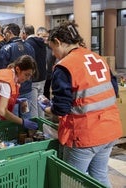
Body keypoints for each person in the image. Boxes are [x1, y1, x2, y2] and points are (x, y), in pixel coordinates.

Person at [38, 21, 123, 187]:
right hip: (109, 129)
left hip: (85, 134)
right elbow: (113, 90)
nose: (54, 54)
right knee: (99, 177)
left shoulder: (64, 67)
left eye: (52, 48)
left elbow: (61, 109)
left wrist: (48, 108)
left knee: (71, 182)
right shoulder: (98, 58)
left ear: (58, 41)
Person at [0, 23, 36, 120]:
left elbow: (2, 72)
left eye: (5, 33)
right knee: (27, 116)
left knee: (13, 118)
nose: (4, 36)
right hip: (27, 88)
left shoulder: (5, 49)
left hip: (11, 92)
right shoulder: (29, 46)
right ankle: (28, 133)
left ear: (9, 33)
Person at [21, 24, 47, 118]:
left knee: (33, 105)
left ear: (24, 33)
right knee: (41, 103)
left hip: (33, 78)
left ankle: (35, 128)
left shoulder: (27, 44)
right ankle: (42, 125)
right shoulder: (42, 43)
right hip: (43, 76)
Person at [36, 27, 57, 100]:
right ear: (38, 35)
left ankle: (46, 109)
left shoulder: (50, 47)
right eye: (43, 36)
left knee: (46, 92)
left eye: (46, 36)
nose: (45, 38)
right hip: (40, 76)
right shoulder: (37, 47)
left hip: (49, 74)